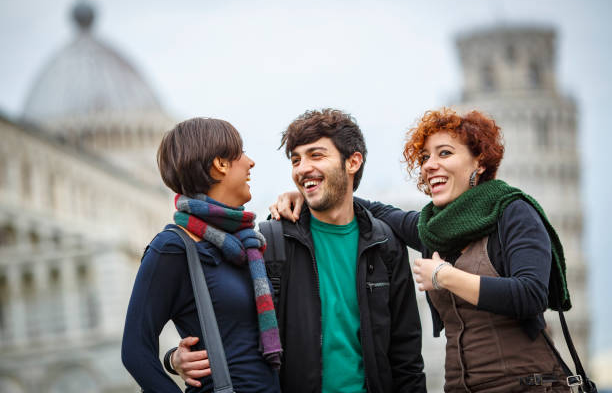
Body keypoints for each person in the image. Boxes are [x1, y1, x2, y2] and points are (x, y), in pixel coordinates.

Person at [271, 108, 573, 392]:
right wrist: (308, 189)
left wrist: (445, 276)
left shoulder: (513, 212)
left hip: (528, 384)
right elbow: (363, 206)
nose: (430, 164)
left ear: (480, 161)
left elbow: (531, 294)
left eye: (445, 153)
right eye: (425, 157)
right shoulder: (432, 228)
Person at [165, 109, 427, 392]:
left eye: (316, 155)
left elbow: (406, 357)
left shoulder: (385, 244)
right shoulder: (268, 241)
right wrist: (173, 359)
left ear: (352, 162)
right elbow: (229, 327)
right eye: (296, 159)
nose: (302, 168)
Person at [121, 117, 282, 393]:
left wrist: (173, 358)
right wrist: (172, 363)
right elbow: (135, 350)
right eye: (241, 152)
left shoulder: (248, 245)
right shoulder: (172, 248)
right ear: (220, 164)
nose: (250, 162)